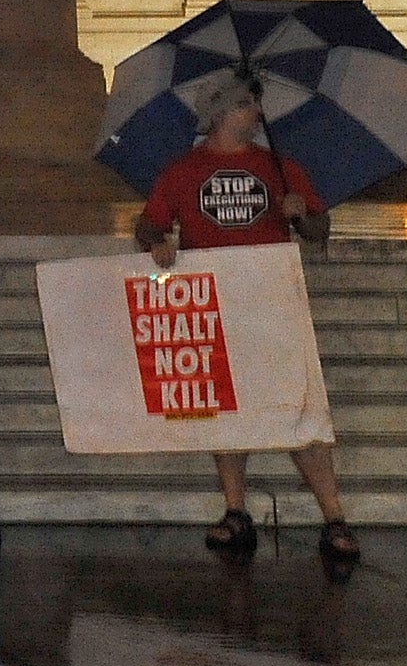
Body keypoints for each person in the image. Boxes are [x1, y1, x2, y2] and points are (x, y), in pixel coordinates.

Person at [140, 78, 358, 567]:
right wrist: (158, 242)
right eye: (244, 103)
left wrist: (302, 216)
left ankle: (334, 516)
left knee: (297, 405)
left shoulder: (278, 167)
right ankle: (235, 510)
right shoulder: (183, 171)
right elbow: (147, 224)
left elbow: (320, 230)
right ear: (217, 113)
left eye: (256, 102)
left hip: (273, 300)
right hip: (215, 303)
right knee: (225, 409)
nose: (256, 111)